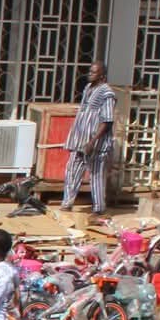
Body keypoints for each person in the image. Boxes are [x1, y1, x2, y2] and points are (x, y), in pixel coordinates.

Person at [61, 62, 116, 214]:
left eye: (94, 72)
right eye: (90, 71)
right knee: (72, 170)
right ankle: (67, 202)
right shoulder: (88, 89)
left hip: (95, 143)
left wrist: (93, 141)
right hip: (79, 139)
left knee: (96, 175)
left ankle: (98, 208)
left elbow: (107, 120)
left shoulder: (107, 93)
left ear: (102, 76)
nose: (90, 74)